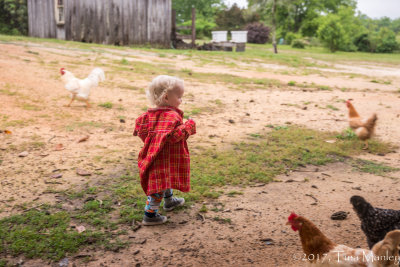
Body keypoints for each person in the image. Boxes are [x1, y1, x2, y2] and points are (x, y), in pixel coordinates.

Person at [133, 75, 196, 226]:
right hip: (164, 157)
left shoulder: (147, 116)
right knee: (158, 186)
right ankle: (150, 215)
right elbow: (174, 137)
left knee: (165, 179)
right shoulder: (172, 116)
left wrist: (152, 144)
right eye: (180, 97)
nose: (181, 100)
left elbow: (140, 130)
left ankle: (169, 201)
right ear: (167, 97)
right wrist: (188, 126)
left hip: (153, 155)